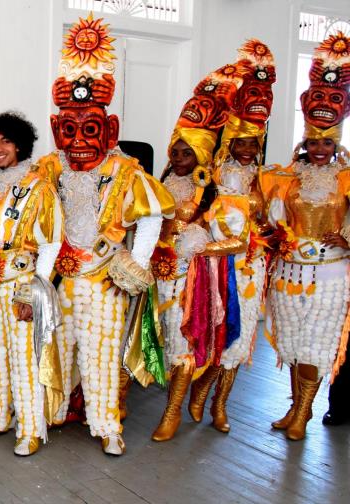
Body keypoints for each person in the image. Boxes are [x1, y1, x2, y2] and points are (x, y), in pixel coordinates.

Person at [37, 14, 174, 455]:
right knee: (59, 345)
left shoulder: (124, 170)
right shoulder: (50, 167)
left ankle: (106, 424)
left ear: (110, 130)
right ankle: (54, 411)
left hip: (104, 277)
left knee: (101, 354)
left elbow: (151, 216)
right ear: (58, 130)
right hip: (62, 278)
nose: (78, 139)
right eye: (69, 129)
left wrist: (137, 260)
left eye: (90, 128)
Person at [261, 32, 350, 441]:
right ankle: (295, 406)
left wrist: (347, 237)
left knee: (317, 344)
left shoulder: (347, 177)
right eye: (312, 142)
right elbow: (272, 218)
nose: (318, 149)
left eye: (325, 143)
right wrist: (277, 236)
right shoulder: (286, 177)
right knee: (294, 342)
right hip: (288, 274)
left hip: (330, 277)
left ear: (335, 144)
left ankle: (305, 413)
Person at [185, 40, 276, 435]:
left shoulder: (268, 180)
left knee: (240, 344)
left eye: (252, 144)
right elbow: (198, 217)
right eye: (239, 142)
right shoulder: (211, 179)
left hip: (249, 269)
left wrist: (270, 238)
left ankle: (220, 405)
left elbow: (275, 225)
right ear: (228, 144)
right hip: (213, 268)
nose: (245, 149)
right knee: (213, 333)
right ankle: (197, 393)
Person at [149, 62, 239, 441]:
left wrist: (200, 247)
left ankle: (172, 413)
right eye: (177, 151)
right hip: (157, 275)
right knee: (159, 340)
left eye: (189, 153)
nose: (181, 158)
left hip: (191, 282)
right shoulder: (158, 182)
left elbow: (236, 241)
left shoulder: (214, 196)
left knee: (184, 343)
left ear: (202, 156)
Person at [0, 112, 63, 456]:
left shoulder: (39, 186)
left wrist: (33, 291)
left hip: (21, 281)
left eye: (5, 141)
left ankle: (31, 428)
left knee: (25, 357)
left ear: (20, 143)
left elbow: (51, 243)